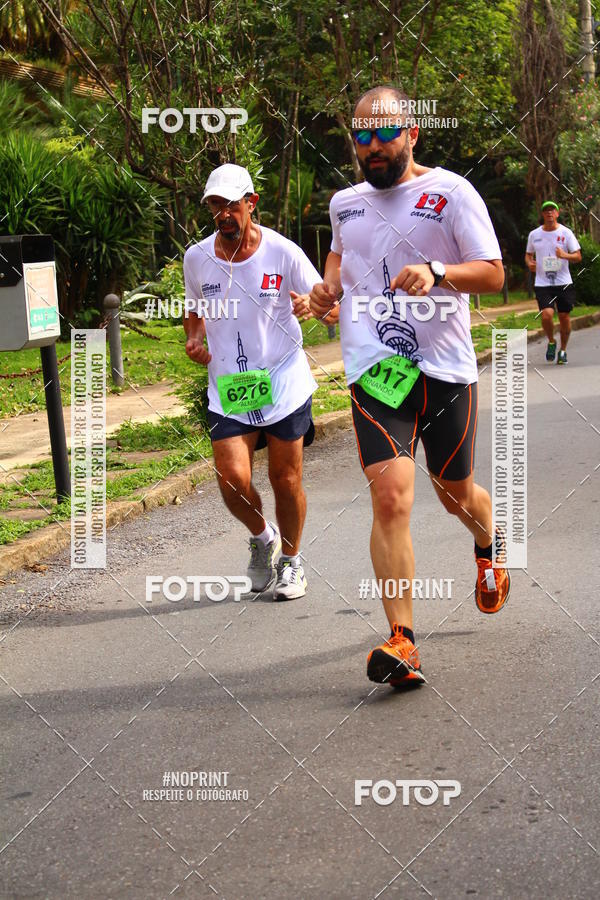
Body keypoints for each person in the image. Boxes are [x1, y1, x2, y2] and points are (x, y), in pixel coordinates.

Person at [310, 85, 511, 686]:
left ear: (411, 134)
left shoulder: (450, 192)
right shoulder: (344, 203)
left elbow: (496, 274)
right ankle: (403, 640)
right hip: (378, 372)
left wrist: (438, 271)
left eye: (383, 135)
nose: (371, 147)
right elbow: (340, 262)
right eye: (361, 137)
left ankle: (490, 545)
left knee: (456, 495)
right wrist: (326, 291)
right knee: (392, 497)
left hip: (445, 373)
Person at [183, 163, 321, 601]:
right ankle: (263, 539)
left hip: (283, 380)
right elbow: (192, 310)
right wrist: (194, 337)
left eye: (231, 204)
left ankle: (292, 562)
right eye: (215, 205)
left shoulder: (283, 252)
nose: (223, 213)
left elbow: (327, 301)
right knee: (231, 478)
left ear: (251, 203)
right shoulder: (197, 257)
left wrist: (313, 306)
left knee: (285, 479)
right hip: (229, 384)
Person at [525, 201, 581, 364]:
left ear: (557, 213)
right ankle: (551, 341)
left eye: (552, 210)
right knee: (547, 315)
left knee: (564, 317)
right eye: (546, 210)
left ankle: (563, 350)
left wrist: (565, 255)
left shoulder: (566, 232)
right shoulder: (534, 235)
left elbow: (577, 256)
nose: (549, 213)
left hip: (563, 282)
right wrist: (530, 263)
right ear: (542, 214)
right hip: (543, 283)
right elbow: (528, 255)